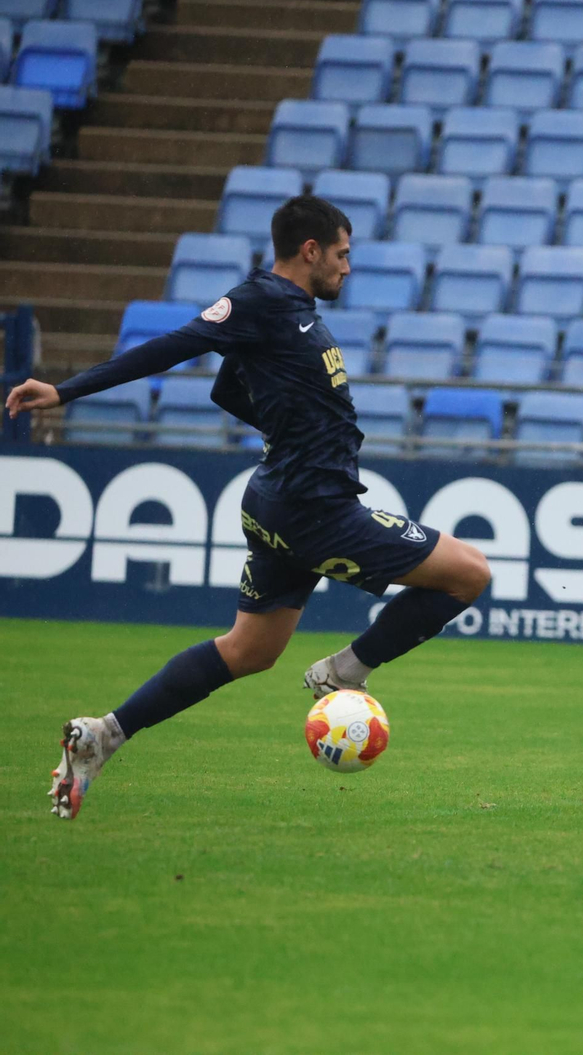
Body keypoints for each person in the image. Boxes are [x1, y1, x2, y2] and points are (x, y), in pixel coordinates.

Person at [5, 195, 492, 820]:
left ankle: (103, 736)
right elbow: (174, 347)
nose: (348, 268)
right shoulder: (260, 302)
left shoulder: (290, 311)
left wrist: (289, 430)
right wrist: (66, 390)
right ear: (310, 251)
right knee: (469, 574)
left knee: (250, 650)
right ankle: (346, 671)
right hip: (315, 510)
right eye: (342, 255)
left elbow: (226, 385)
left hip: (279, 502)